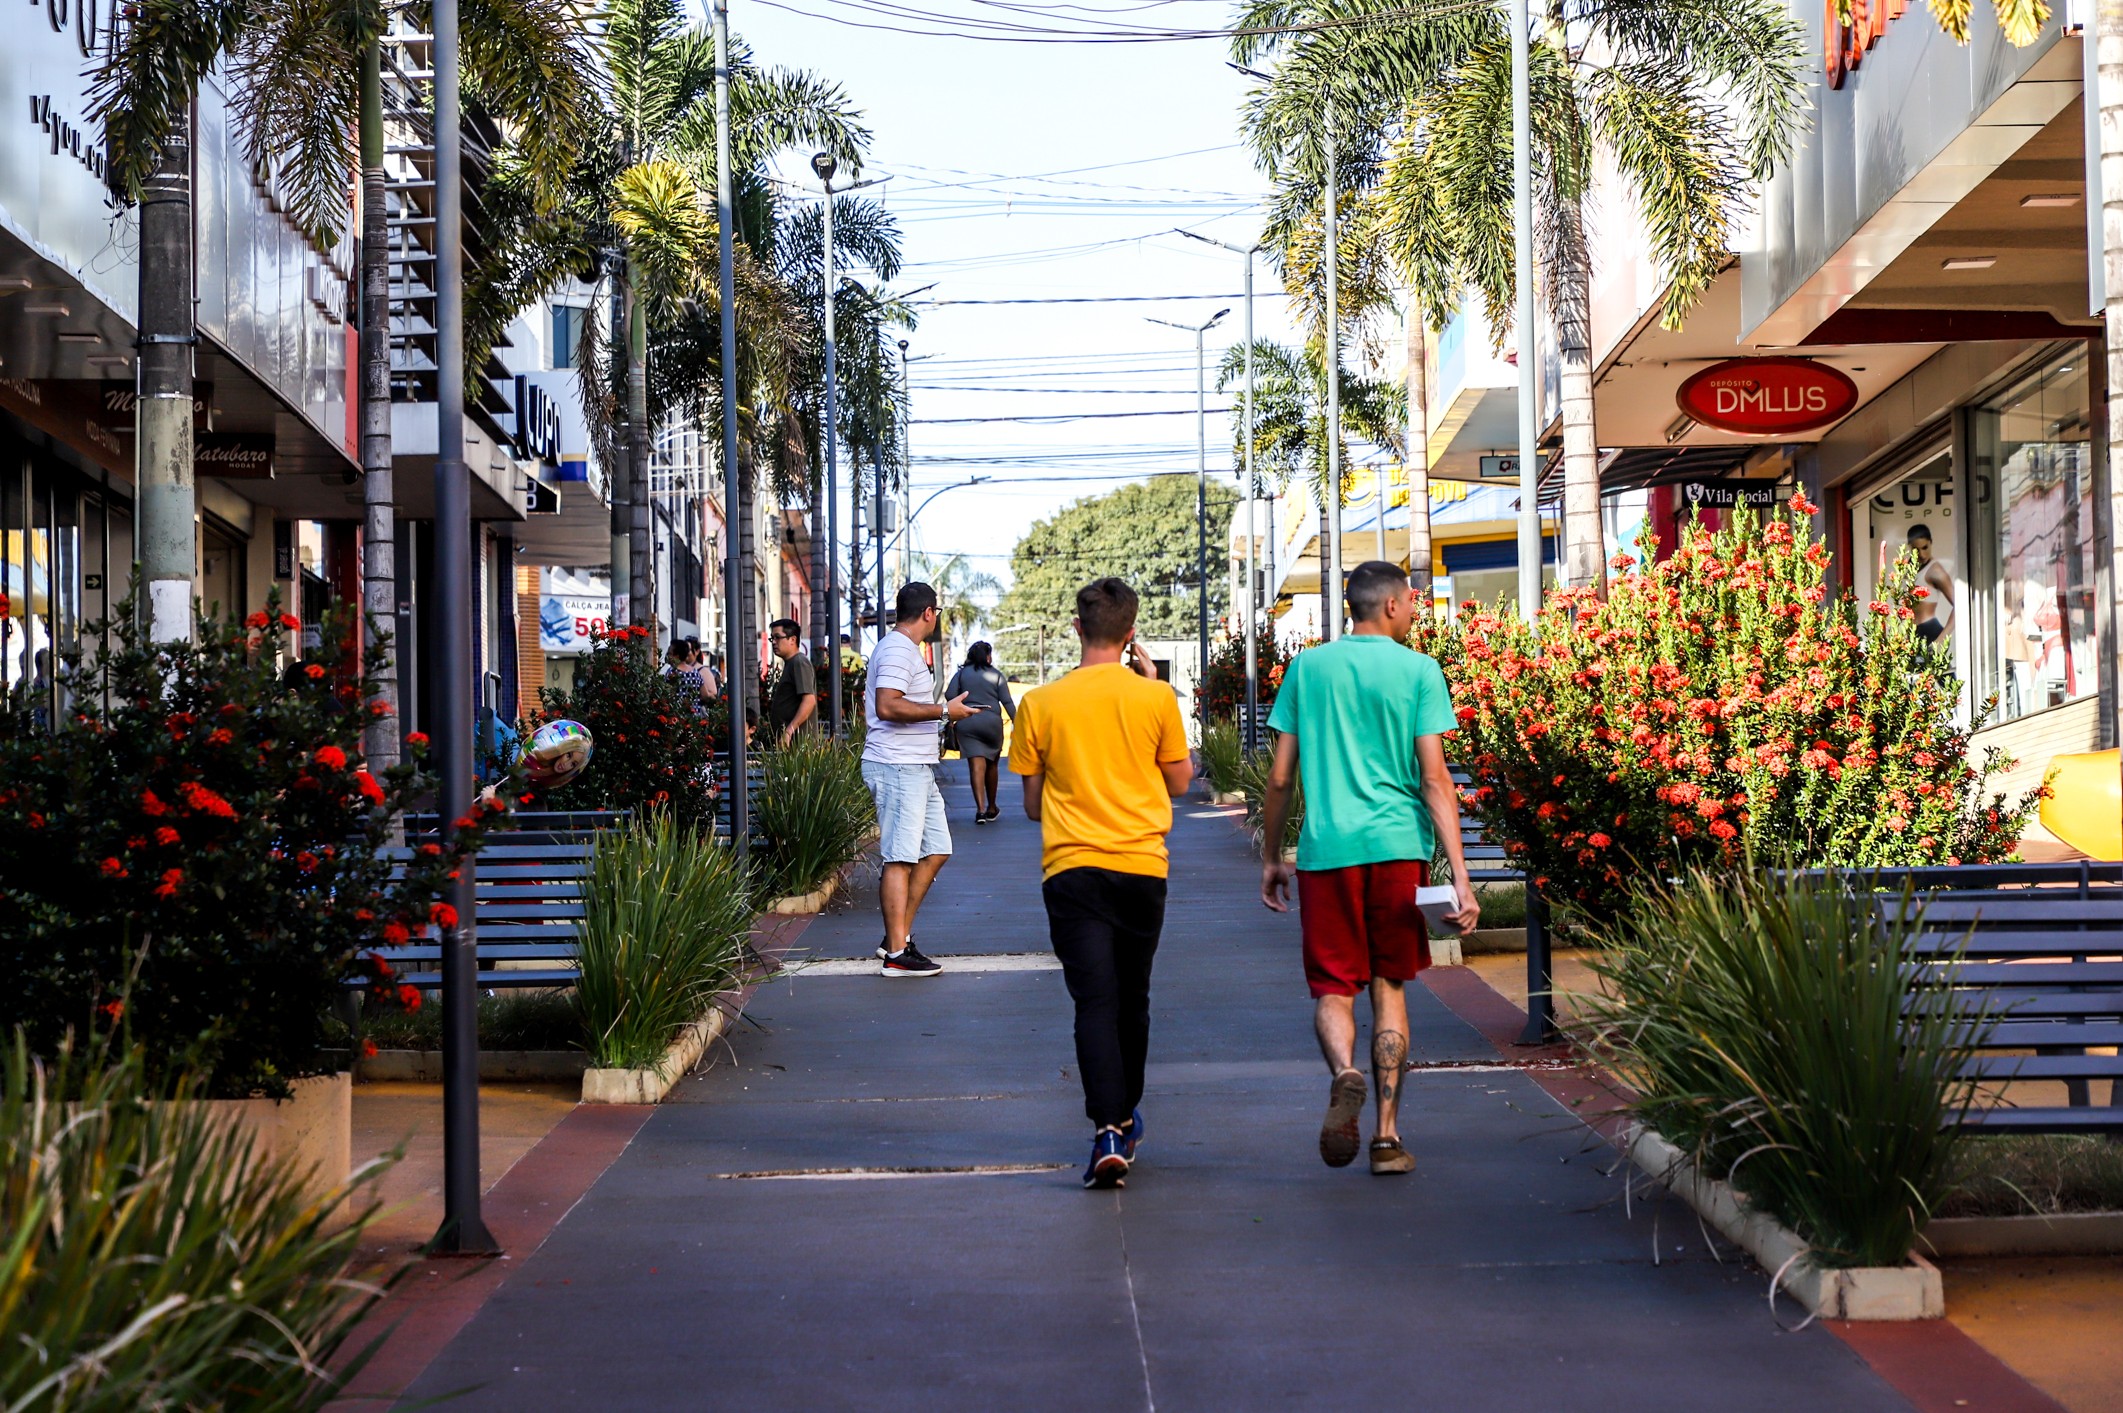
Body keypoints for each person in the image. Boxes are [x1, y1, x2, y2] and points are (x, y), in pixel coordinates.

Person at [1257, 560, 1481, 1177]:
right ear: (1389, 605)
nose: (1415, 609)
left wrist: (1274, 856)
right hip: (1397, 851)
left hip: (1327, 850)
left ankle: (1345, 1073)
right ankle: (1386, 1137)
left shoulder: (1308, 668)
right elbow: (1436, 779)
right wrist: (1458, 874)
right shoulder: (1419, 671)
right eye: (1411, 600)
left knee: (1333, 987)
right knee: (1389, 986)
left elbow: (1280, 778)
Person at [1011, 578, 1192, 1189]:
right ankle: (1125, 1113)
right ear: (1131, 632)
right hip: (1142, 867)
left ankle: (1108, 1128)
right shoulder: (1156, 699)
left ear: (1076, 629)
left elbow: (1033, 805)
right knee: (1133, 998)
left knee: (1094, 1002)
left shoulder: (1041, 703)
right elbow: (1180, 783)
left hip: (1072, 870)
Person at [864, 583, 977, 978]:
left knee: (937, 849)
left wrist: (944, 713)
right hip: (897, 766)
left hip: (914, 766)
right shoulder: (897, 649)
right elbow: (888, 704)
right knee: (899, 856)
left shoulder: (902, 649)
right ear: (929, 612)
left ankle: (896, 937)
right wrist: (944, 710)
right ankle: (897, 953)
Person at [944, 640, 1015, 823]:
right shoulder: (996, 675)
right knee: (992, 765)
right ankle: (992, 807)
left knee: (976, 766)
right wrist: (1020, 723)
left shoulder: (960, 675)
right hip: (991, 723)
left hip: (968, 720)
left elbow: (950, 695)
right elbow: (1007, 701)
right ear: (988, 656)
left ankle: (980, 810)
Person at [766, 619, 817, 744]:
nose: (774, 642)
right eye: (772, 638)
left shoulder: (799, 662)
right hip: (791, 746)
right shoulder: (791, 664)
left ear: (792, 640)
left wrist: (789, 731)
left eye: (778, 637)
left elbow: (809, 701)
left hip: (799, 745)